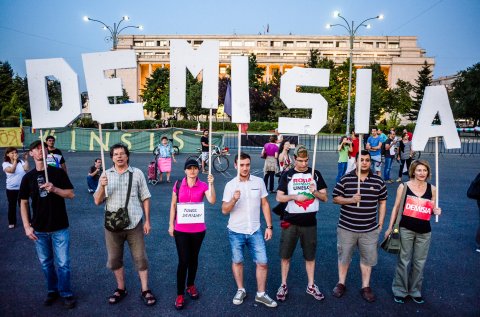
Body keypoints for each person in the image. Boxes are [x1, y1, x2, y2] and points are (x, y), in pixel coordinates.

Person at [94, 143, 157, 306]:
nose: (119, 156)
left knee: (140, 258)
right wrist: (101, 185)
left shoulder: (137, 174)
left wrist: (147, 220)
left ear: (127, 156)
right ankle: (121, 288)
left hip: (134, 223)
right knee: (115, 260)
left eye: (122, 153)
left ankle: (145, 289)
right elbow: (97, 201)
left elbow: (145, 197)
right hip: (112, 226)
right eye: (116, 154)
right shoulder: (106, 175)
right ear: (112, 157)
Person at [19, 140, 76, 309]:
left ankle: (66, 293)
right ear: (31, 154)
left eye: (43, 147)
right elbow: (22, 202)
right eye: (36, 148)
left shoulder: (57, 173)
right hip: (39, 228)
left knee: (63, 263)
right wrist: (26, 226)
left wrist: (55, 189)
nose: (40, 150)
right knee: (46, 263)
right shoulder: (27, 178)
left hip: (60, 226)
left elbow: (71, 194)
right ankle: (52, 291)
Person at [222, 152, 277, 308]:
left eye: (247, 165)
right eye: (241, 165)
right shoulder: (231, 185)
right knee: (238, 261)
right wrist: (233, 199)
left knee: (263, 262)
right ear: (235, 165)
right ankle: (241, 290)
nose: (245, 168)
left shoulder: (259, 182)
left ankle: (261, 294)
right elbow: (224, 210)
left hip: (255, 230)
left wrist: (269, 226)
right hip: (235, 231)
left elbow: (265, 204)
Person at [331, 150, 387, 303]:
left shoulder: (378, 181)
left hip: (369, 229)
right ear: (355, 161)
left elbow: (382, 202)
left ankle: (365, 286)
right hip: (346, 227)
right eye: (361, 160)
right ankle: (341, 283)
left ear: (371, 162)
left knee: (367, 259)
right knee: (344, 257)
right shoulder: (346, 179)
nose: (364, 162)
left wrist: (380, 223)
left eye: (367, 160)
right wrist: (351, 199)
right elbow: (335, 198)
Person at [275, 145, 328, 302]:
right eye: (300, 160)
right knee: (285, 256)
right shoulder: (288, 175)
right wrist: (294, 197)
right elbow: (279, 197)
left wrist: (314, 192)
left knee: (310, 256)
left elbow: (325, 198)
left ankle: (311, 285)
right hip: (290, 222)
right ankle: (283, 284)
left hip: (310, 222)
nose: (303, 164)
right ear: (294, 159)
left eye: (306, 160)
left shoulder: (315, 174)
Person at [384, 160, 441, 304]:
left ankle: (415, 290)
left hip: (424, 231)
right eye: (419, 170)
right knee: (403, 261)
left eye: (425, 170)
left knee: (419, 262)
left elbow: (431, 210)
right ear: (413, 171)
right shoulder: (404, 186)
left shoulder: (433, 189)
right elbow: (396, 208)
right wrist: (390, 227)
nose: (422, 173)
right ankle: (400, 290)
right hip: (406, 229)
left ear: (428, 172)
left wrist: (437, 211)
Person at [168, 159, 216, 310]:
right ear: (185, 171)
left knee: (193, 259)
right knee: (183, 261)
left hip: (198, 230)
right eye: (189, 168)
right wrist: (171, 225)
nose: (192, 171)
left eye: (195, 168)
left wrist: (212, 184)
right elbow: (173, 205)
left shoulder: (203, 185)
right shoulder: (177, 184)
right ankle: (180, 293)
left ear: (198, 170)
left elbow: (212, 200)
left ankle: (190, 285)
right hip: (181, 230)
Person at [3, 147, 29, 228]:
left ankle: (28, 221)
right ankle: (12, 222)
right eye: (12, 153)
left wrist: (25, 159)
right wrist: (15, 161)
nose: (15, 154)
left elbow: (27, 169)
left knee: (25, 205)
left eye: (15, 152)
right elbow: (12, 170)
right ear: (8, 154)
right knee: (12, 205)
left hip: (23, 188)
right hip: (11, 189)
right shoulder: (5, 164)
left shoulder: (21, 161)